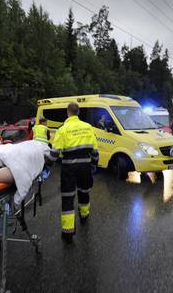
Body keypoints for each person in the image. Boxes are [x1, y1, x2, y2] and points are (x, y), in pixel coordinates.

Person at [48, 102, 99, 243]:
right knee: (84, 192)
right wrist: (94, 164)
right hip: (85, 167)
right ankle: (84, 216)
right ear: (78, 112)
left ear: (67, 112)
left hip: (69, 168)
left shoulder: (62, 130)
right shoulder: (88, 128)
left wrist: (46, 166)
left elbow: (54, 155)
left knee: (68, 198)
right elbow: (95, 151)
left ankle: (68, 232)